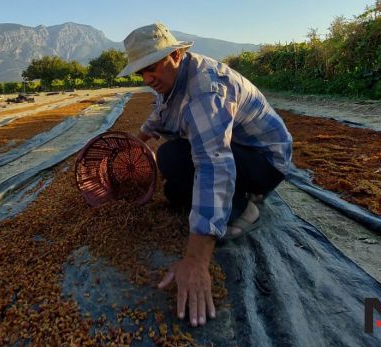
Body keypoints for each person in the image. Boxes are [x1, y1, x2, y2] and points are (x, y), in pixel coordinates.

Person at [117, 22, 292, 327]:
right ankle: (242, 195)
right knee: (173, 191)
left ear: (174, 54)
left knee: (172, 157)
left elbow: (214, 165)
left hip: (265, 161)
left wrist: (196, 261)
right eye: (140, 73)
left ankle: (244, 208)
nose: (147, 78)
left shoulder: (205, 90)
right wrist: (134, 144)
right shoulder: (172, 81)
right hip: (241, 151)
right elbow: (160, 114)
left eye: (152, 67)